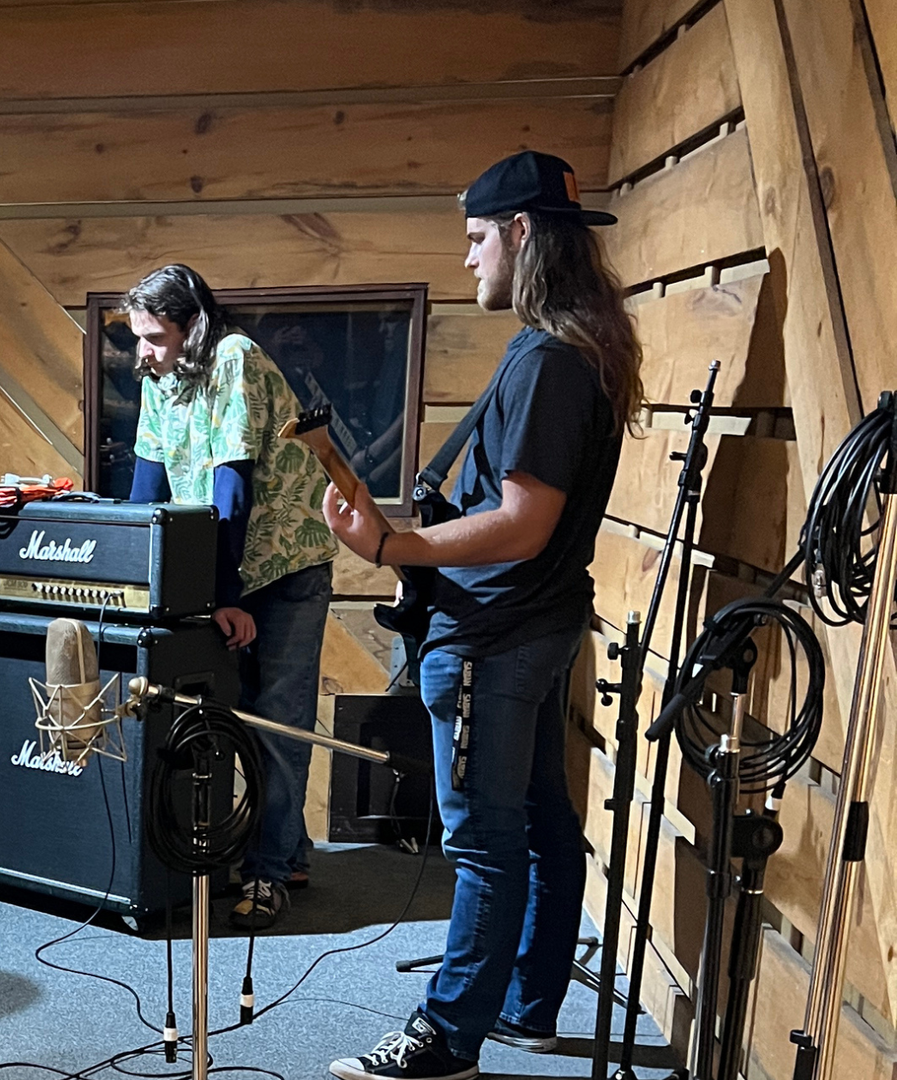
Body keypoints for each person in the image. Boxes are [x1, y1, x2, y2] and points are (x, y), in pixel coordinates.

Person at [323, 151, 639, 1080]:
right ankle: (528, 1007)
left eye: (474, 239)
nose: (466, 260)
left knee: (484, 842)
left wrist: (392, 550)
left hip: (496, 638)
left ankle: (449, 1035)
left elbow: (522, 521)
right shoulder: (577, 344)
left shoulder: (548, 357)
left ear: (522, 233)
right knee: (539, 818)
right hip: (532, 627)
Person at [123, 264, 338, 931]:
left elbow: (232, 489)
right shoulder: (159, 376)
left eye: (155, 336)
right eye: (137, 337)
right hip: (218, 567)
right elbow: (146, 483)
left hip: (284, 562)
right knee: (230, 715)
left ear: (193, 327)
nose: (143, 352)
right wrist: (130, 572)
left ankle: (268, 874)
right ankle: (291, 849)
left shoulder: (234, 358)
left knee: (275, 720)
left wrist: (224, 596)